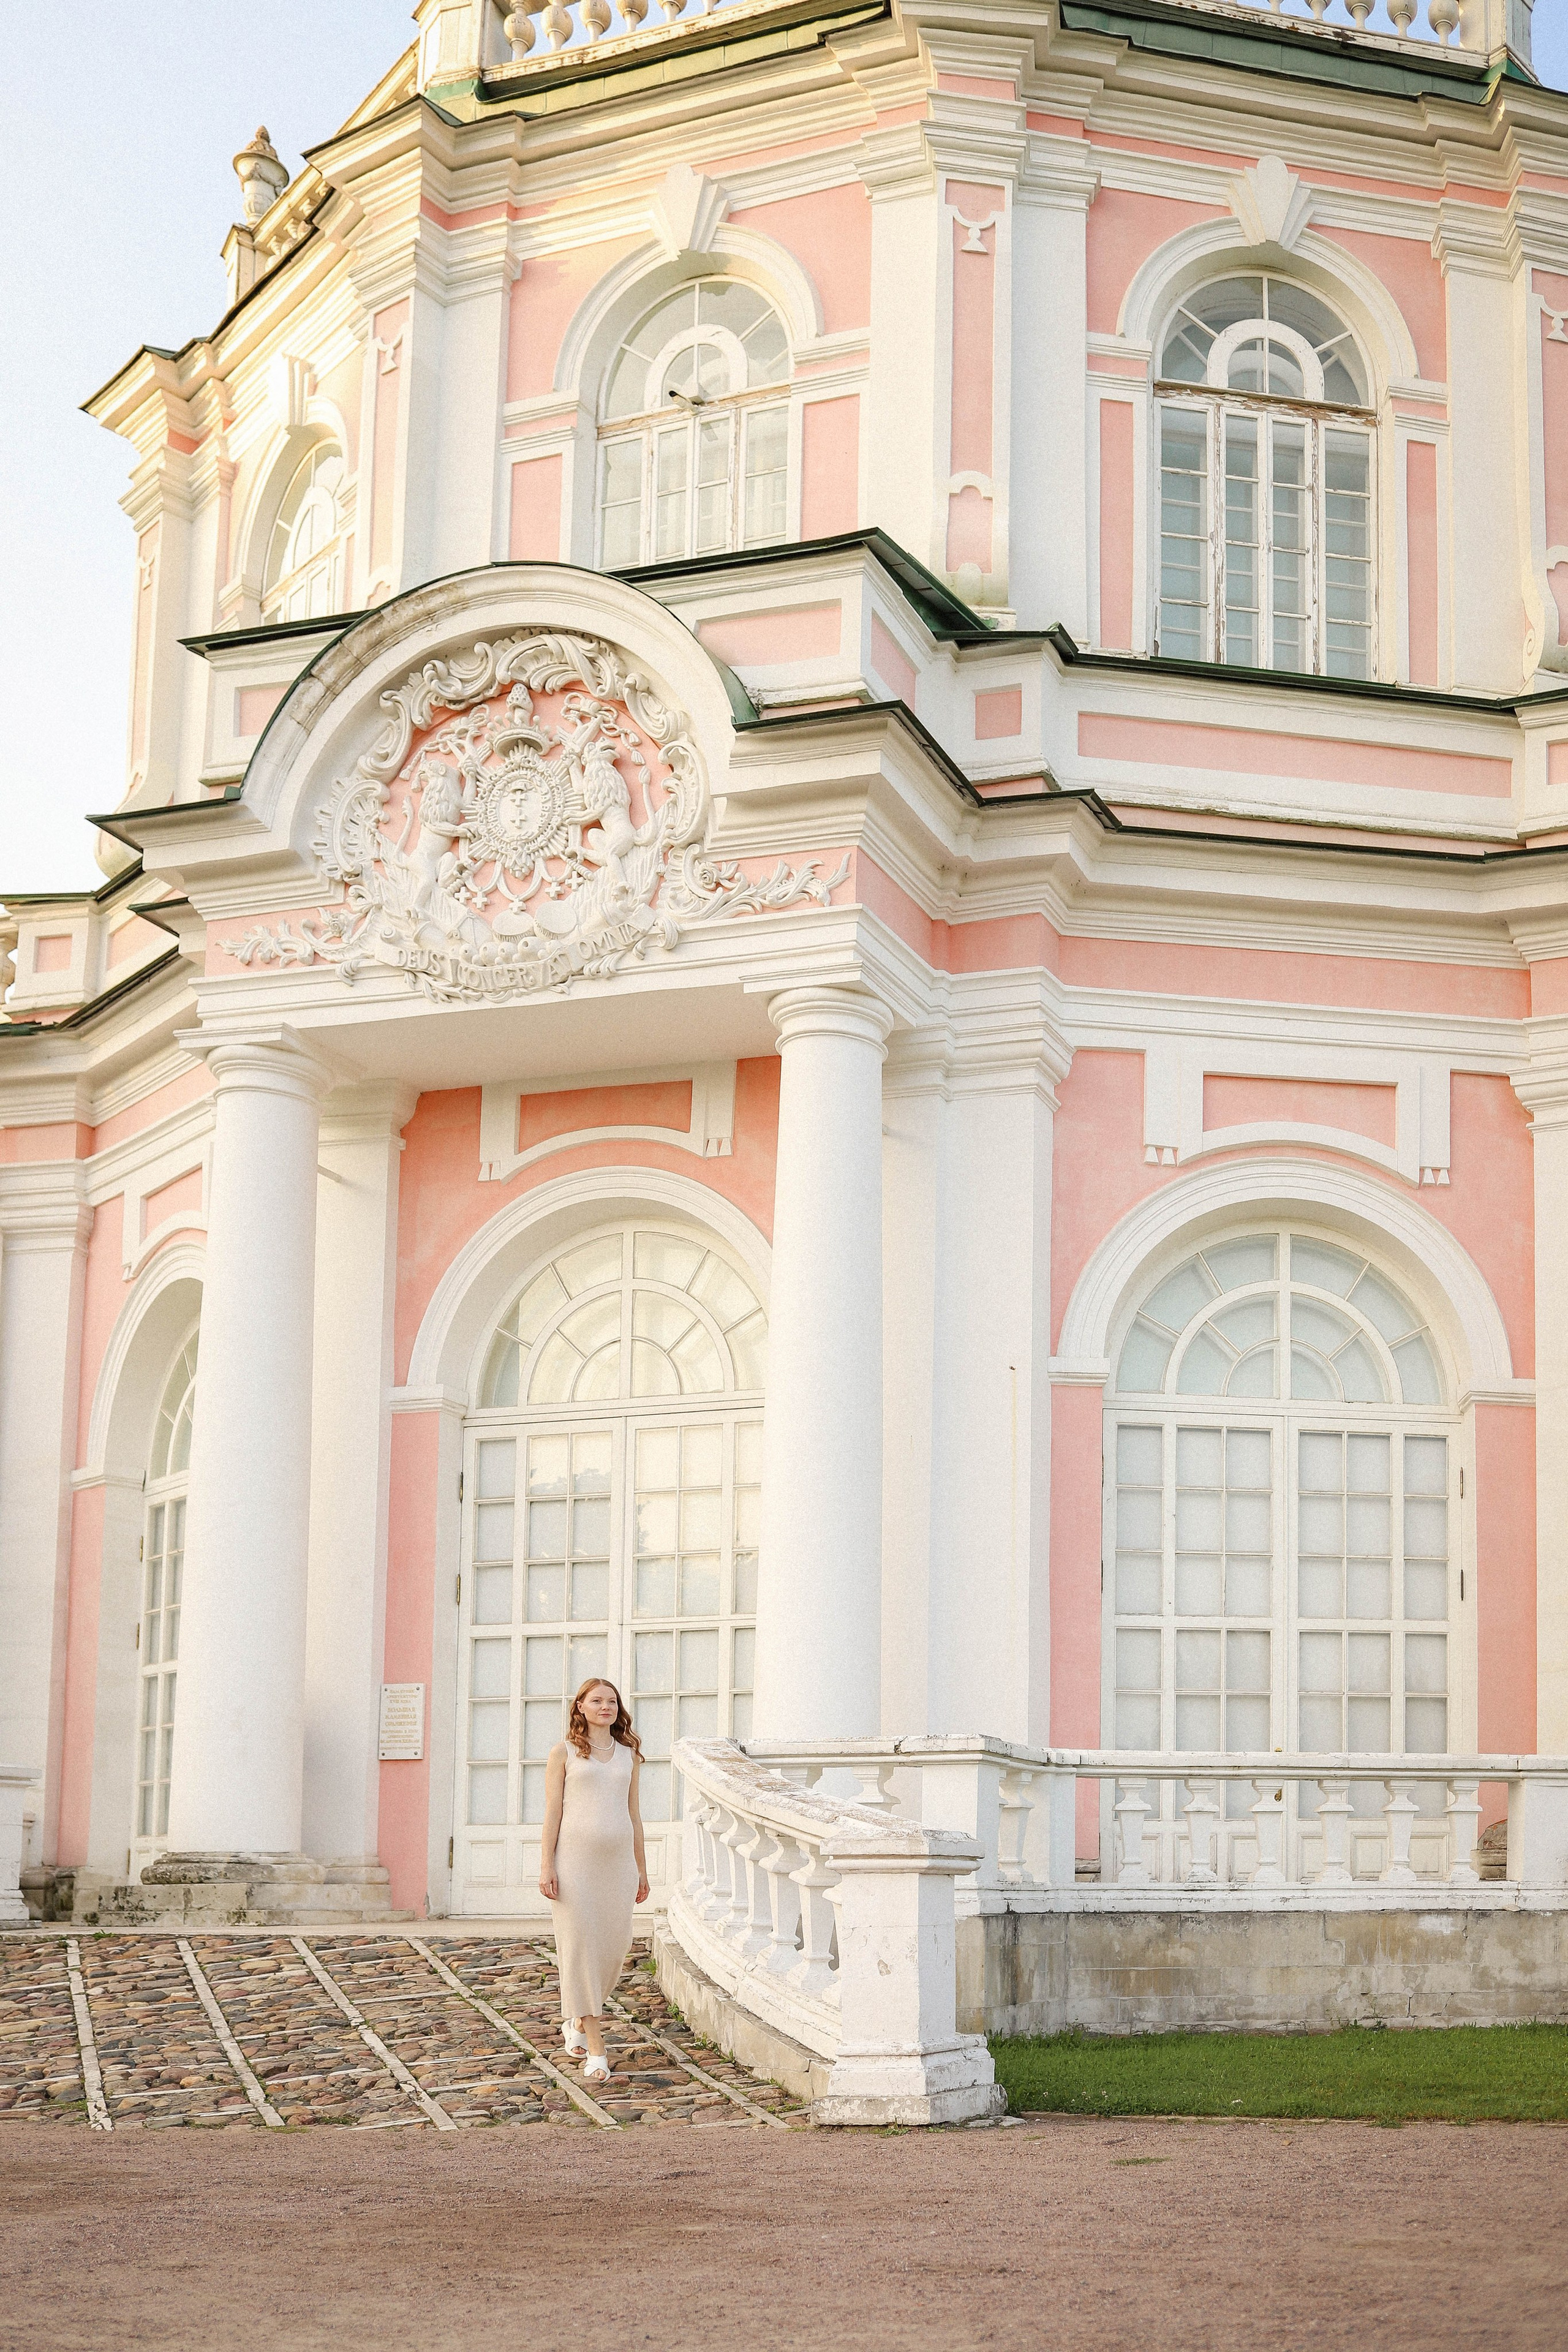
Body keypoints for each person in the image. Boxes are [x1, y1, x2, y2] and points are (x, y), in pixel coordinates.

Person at [538, 1677, 650, 2082]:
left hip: (618, 1865)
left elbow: (634, 1815)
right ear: (580, 1707)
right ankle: (597, 2046)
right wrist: (546, 1866)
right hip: (574, 1865)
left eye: (612, 1701)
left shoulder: (628, 1755)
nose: (606, 1707)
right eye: (597, 1700)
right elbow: (553, 1812)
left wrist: (642, 1869)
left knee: (616, 1947)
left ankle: (577, 2018)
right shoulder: (564, 1752)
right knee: (581, 1949)